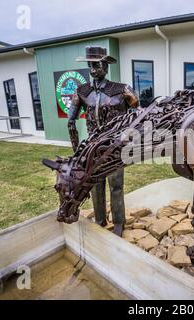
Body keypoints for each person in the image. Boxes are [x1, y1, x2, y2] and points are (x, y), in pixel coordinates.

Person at [67, 46, 139, 236]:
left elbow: (136, 111)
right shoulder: (82, 91)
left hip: (115, 145)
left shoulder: (122, 90)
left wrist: (129, 136)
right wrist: (77, 151)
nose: (93, 69)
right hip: (92, 146)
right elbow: (71, 120)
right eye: (90, 64)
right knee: (95, 184)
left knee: (116, 185)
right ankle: (100, 219)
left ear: (106, 66)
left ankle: (118, 222)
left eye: (97, 64)